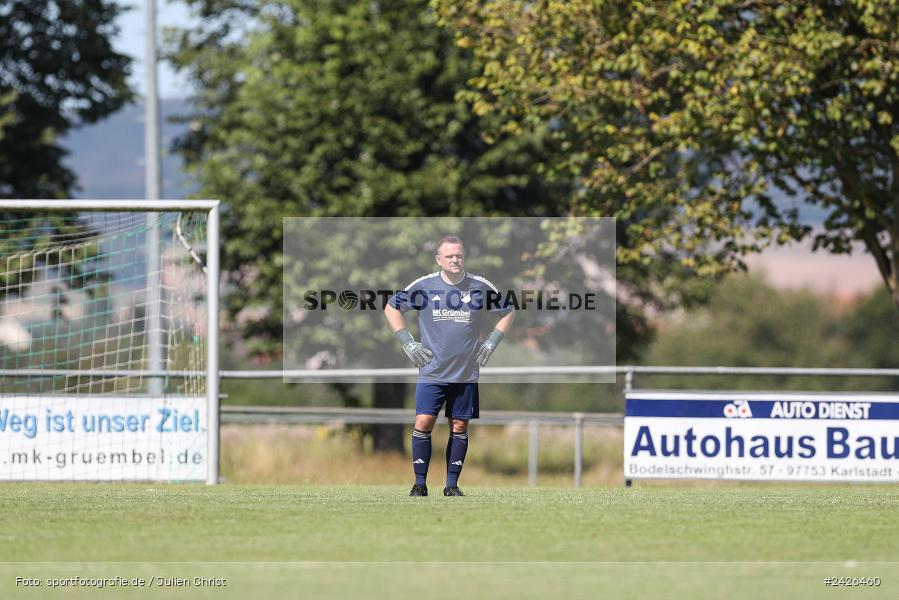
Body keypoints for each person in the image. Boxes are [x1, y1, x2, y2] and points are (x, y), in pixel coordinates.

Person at [384, 235, 515, 497]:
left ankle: (451, 485)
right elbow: (391, 307)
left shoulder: (479, 286)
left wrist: (490, 343)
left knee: (459, 425)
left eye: (459, 255)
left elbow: (509, 311)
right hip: (432, 370)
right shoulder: (424, 286)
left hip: (465, 373)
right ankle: (419, 484)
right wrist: (408, 343)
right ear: (439, 260)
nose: (455, 259)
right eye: (449, 256)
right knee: (423, 421)